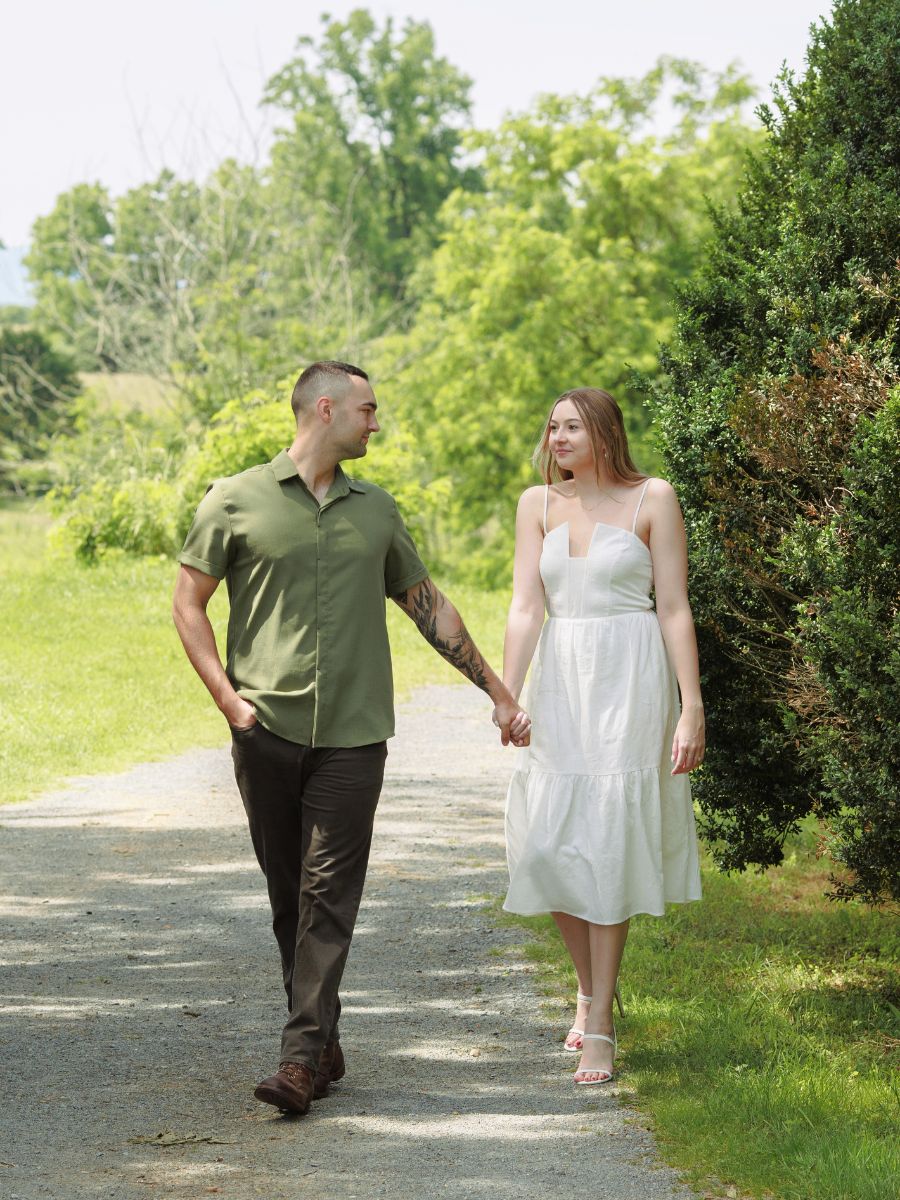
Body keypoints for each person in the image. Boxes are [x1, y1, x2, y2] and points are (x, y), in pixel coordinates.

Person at [172, 360, 530, 1115]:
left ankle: (299, 1062)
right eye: (367, 411)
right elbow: (189, 605)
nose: (376, 423)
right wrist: (229, 702)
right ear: (325, 410)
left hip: (354, 737)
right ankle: (323, 1036)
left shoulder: (377, 509)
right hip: (263, 729)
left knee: (326, 897)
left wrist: (497, 692)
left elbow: (428, 605)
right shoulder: (234, 500)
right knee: (286, 897)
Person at [500, 387, 703, 1085]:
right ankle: (587, 989)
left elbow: (673, 607)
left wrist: (691, 705)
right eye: (551, 426)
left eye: (572, 426)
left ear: (605, 431)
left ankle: (603, 1025)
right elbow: (527, 606)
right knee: (550, 840)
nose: (557, 437)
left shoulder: (654, 497)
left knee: (610, 837)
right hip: (562, 677)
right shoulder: (538, 506)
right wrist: (507, 693)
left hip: (630, 677)